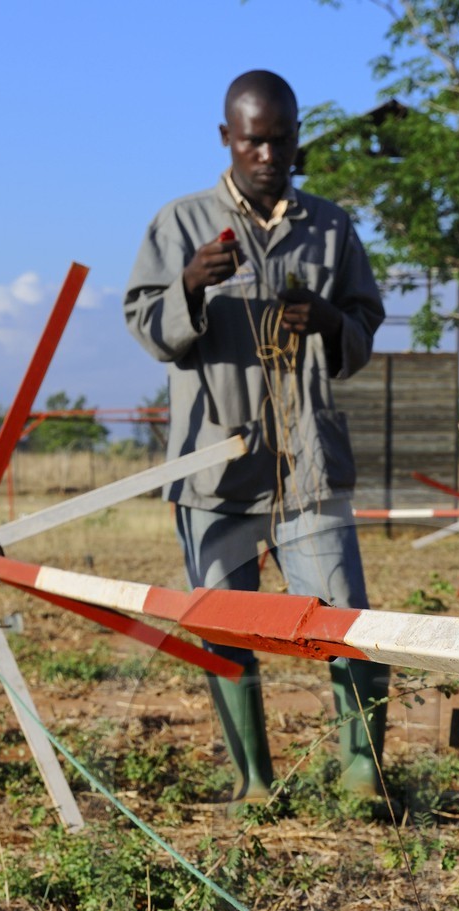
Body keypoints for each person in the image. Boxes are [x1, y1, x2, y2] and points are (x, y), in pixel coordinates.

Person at [124, 69, 389, 809]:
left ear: (296, 138)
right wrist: (189, 286)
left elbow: (366, 322)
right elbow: (146, 325)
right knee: (221, 628)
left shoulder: (331, 227)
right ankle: (254, 784)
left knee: (344, 622)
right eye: (253, 141)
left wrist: (334, 323)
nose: (267, 154)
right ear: (226, 140)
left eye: (280, 140)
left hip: (308, 464)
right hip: (215, 469)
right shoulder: (180, 224)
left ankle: (363, 777)